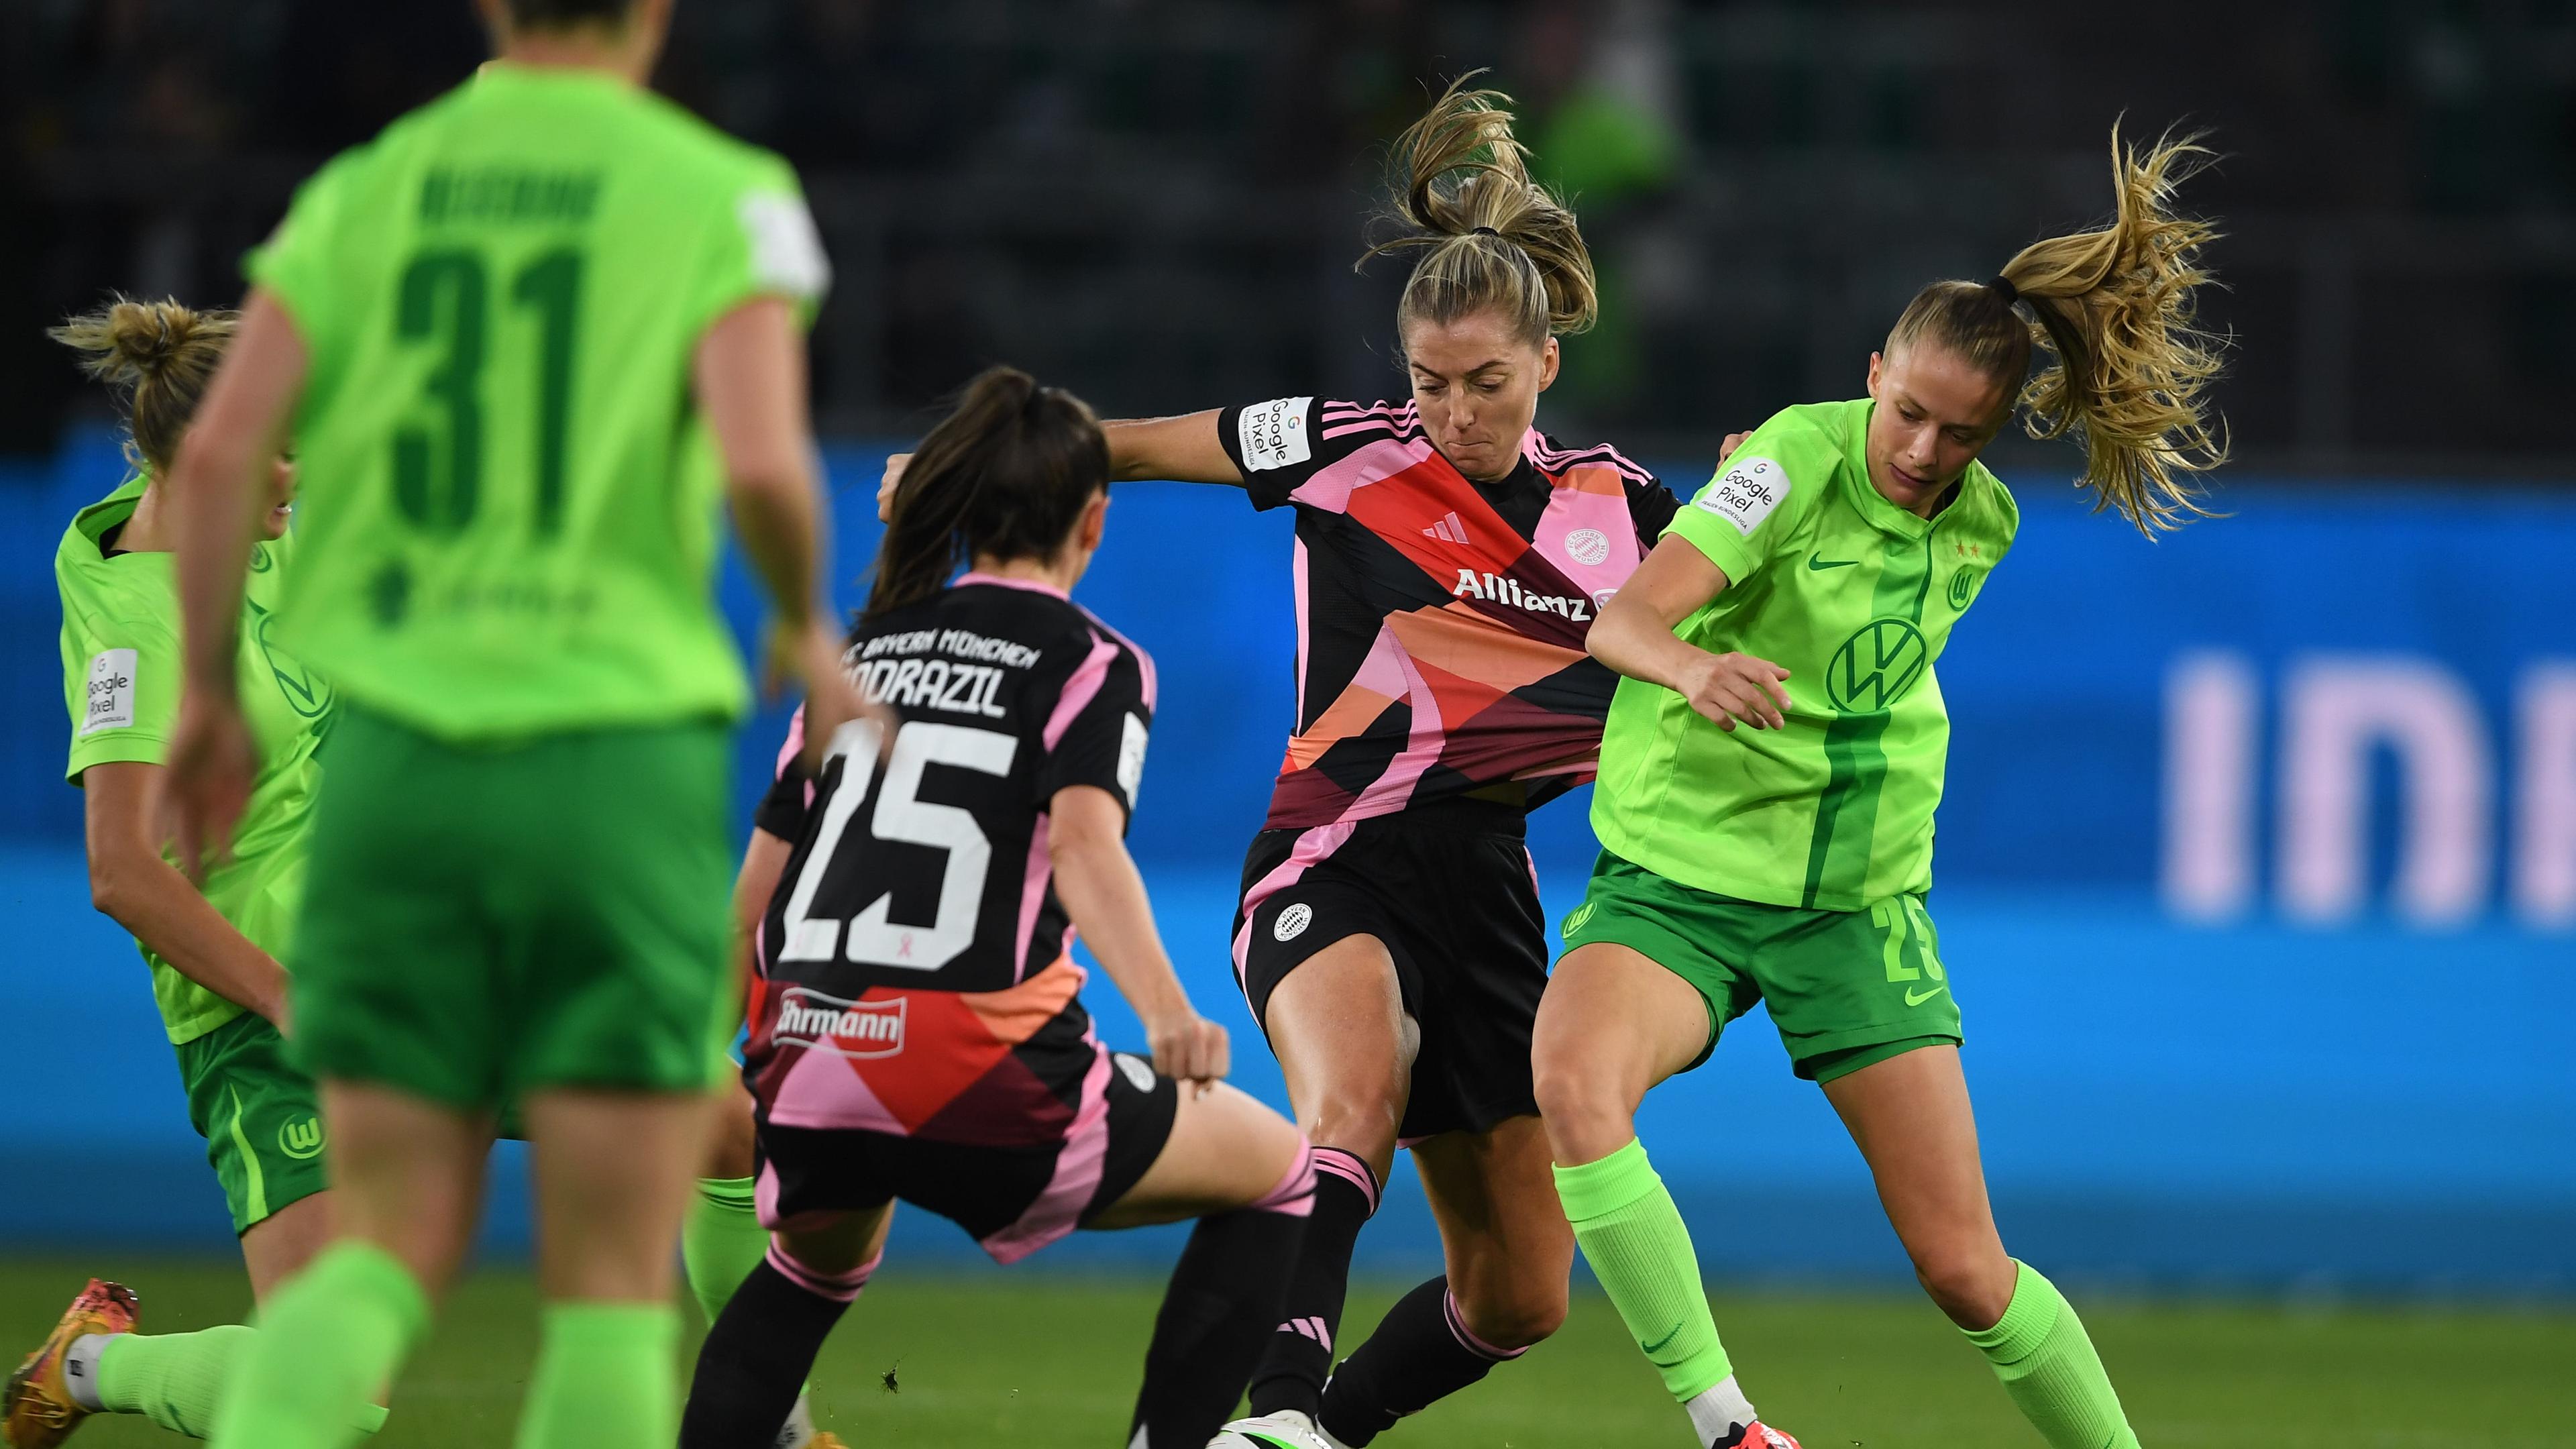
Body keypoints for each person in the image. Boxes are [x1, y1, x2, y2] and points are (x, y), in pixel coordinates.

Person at [884, 74, 1727, 1449]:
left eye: (1488, 385)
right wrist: (957, 471)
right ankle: (1273, 1416)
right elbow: (1128, 449)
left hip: (1493, 896)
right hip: (1333, 857)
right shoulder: (1342, 451)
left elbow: (1730, 612)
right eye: (1430, 384)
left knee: (1518, 1297)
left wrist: (1768, 496)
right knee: (1354, 1096)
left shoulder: (1627, 509)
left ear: (1549, 366)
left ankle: (1317, 1429)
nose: (1455, 414)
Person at [156, 0, 869, 1446]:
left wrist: (214, 695)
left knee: (372, 1265)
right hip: (614, 759)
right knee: (608, 1285)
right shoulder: (724, 191)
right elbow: (764, 464)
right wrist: (802, 619)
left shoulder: (367, 189)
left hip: (398, 761)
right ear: (655, 12)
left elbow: (225, 449)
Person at [11, 297, 832, 1449]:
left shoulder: (272, 528)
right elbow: (120, 873)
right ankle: (87, 1367)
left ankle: (774, 1433)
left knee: (721, 1126)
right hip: (269, 1024)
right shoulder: (138, 630)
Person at [1533, 125, 2226, 1449]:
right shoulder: (1788, 458)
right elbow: (1621, 622)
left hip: (1855, 906)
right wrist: (1692, 668)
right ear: (1872, 376)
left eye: (1958, 433)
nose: (1918, 448)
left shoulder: (1985, 525)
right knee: (1574, 1083)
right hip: (1682, 885)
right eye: (1905, 411)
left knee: (1966, 1268)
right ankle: (1730, 1427)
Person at [681, 366, 1316, 1449]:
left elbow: (754, 900)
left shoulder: (862, 655)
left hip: (809, 1052)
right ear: (1094, 520)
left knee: (800, 1274)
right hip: (974, 1066)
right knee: (1280, 1175)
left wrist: (731, 1053)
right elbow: (1082, 844)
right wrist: (1167, 1013)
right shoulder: (1090, 659)